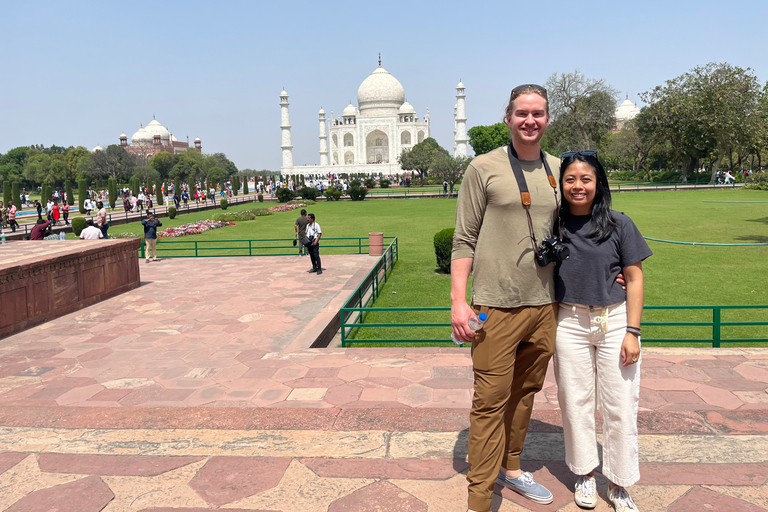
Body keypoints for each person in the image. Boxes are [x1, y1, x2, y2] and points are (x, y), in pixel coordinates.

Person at [451, 84, 563, 511]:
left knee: (526, 393)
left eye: (537, 113)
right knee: (488, 404)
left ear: (547, 119)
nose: (529, 121)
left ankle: (511, 469)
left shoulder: (558, 168)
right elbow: (464, 240)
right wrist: (459, 303)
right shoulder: (484, 168)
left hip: (544, 303)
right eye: (522, 113)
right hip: (494, 307)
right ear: (508, 117)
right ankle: (479, 501)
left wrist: (615, 272)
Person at [553, 152, 651, 512]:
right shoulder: (554, 225)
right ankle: (584, 474)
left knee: (620, 405)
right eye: (570, 180)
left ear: (598, 184)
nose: (578, 186)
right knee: (575, 402)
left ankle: (620, 483)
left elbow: (636, 278)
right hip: (569, 321)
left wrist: (633, 332)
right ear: (561, 185)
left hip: (614, 320)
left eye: (586, 179)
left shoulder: (618, 224)